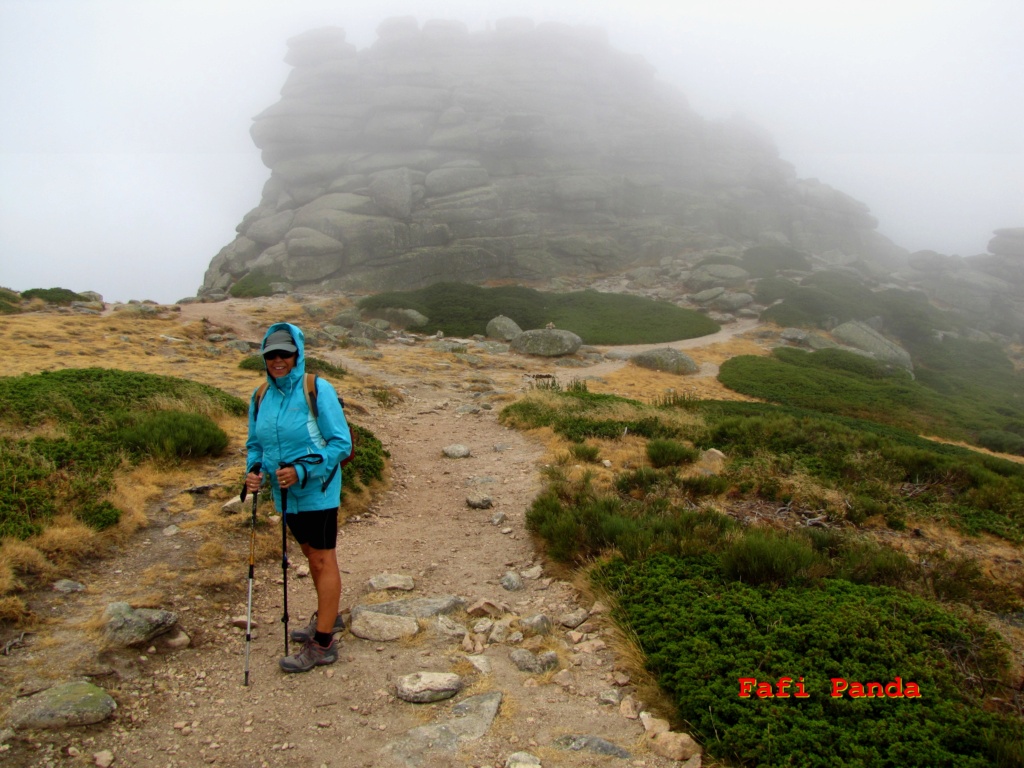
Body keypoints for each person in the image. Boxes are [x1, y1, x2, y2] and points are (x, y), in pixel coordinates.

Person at [244, 322, 352, 673]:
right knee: (309, 554)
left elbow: (341, 444)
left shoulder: (317, 389)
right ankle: (328, 616)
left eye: (285, 354)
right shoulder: (261, 396)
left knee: (321, 559)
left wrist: (303, 472)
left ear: (297, 355)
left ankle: (323, 644)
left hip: (318, 491)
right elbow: (256, 443)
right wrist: (254, 469)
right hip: (284, 494)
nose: (278, 360)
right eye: (271, 354)